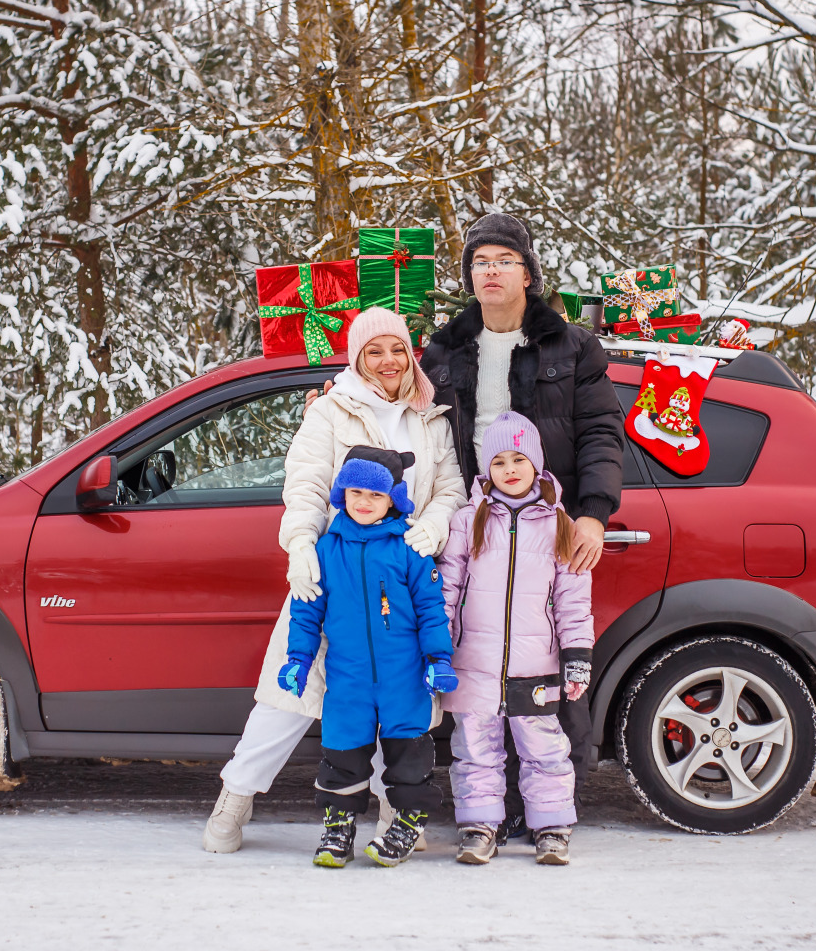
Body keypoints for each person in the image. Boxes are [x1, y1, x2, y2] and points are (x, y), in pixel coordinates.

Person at [202, 307, 466, 853]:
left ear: (410, 353)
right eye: (374, 351)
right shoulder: (329, 411)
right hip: (332, 573)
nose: (388, 361)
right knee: (285, 698)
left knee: (390, 703)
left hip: (399, 578)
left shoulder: (432, 416)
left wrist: (436, 523)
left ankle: (394, 814)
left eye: (397, 349)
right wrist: (300, 546)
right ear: (357, 358)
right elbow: (305, 483)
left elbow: (451, 488)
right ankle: (235, 798)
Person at [419, 213, 624, 838]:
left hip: (545, 529)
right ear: (469, 275)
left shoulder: (571, 346)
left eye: (504, 259)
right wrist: (334, 395)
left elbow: (600, 434)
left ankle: (549, 811)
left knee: (543, 672)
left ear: (528, 274)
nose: (491, 270)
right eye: (480, 261)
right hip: (470, 527)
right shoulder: (445, 349)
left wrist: (591, 515)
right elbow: (399, 408)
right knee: (477, 676)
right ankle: (483, 812)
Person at [280, 446, 458, 866]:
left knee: (408, 756)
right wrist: (297, 661)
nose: (364, 501)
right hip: (348, 679)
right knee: (343, 752)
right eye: (355, 491)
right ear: (342, 494)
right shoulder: (325, 550)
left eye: (375, 495)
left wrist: (439, 660)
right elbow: (306, 614)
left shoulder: (409, 551)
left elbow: (433, 610)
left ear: (393, 499)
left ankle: (408, 821)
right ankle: (338, 828)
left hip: (404, 677)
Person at [439, 412, 593, 865]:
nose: (509, 469)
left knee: (544, 747)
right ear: (486, 469)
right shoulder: (469, 520)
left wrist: (577, 655)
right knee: (474, 749)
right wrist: (439, 647)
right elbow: (448, 587)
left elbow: (572, 598)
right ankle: (480, 825)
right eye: (499, 460)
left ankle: (551, 827)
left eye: (518, 459)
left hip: (536, 665)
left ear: (536, 465)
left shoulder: (558, 524)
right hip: (474, 661)